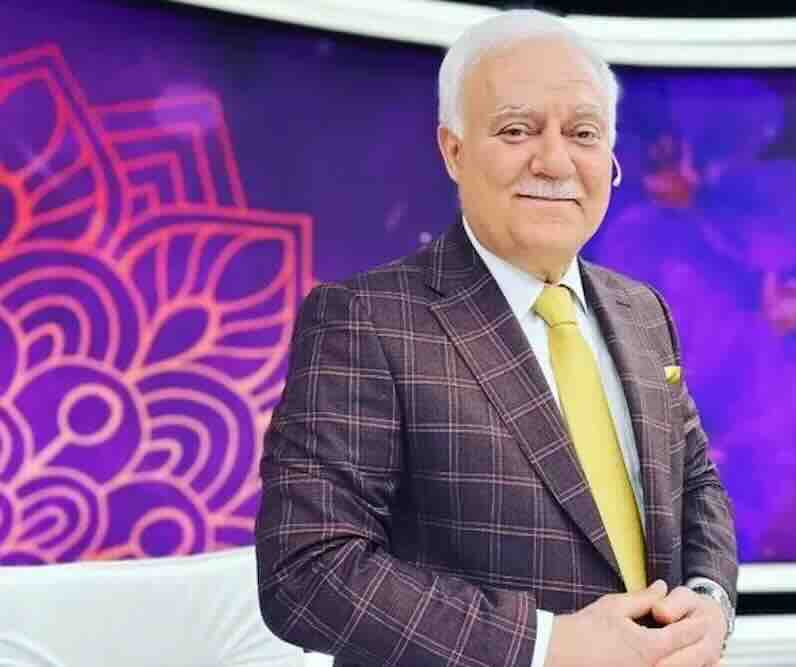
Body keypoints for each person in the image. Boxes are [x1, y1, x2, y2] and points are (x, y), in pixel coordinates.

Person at [255, 9, 737, 667]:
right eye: (517, 130)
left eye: (583, 133)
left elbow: (696, 483)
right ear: (453, 151)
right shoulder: (365, 319)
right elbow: (307, 572)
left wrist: (709, 600)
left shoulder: (643, 312)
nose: (555, 160)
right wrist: (544, 644)